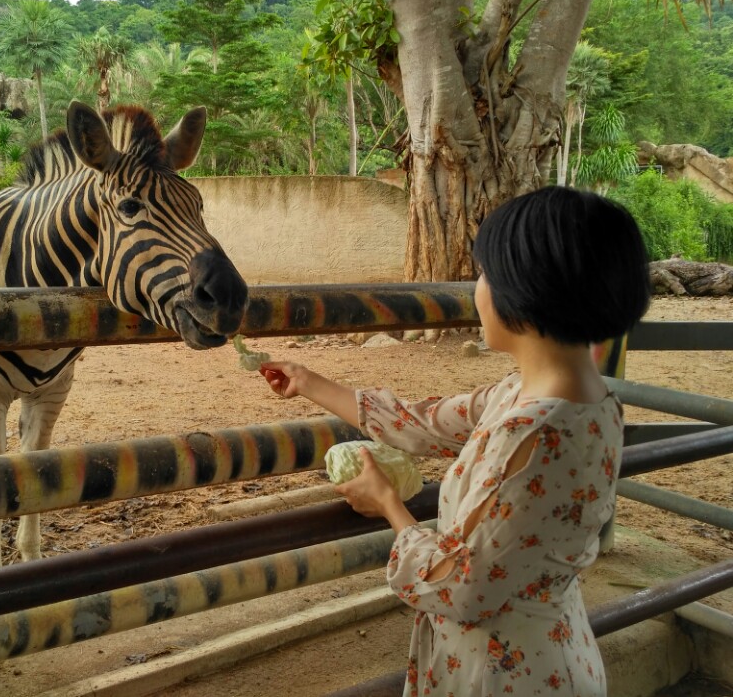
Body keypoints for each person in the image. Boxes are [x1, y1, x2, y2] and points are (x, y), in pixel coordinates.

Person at [258, 186, 651, 696]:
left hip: (503, 674)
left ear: (529, 286)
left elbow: (464, 588)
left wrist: (390, 507)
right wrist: (309, 381)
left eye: (486, 273)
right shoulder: (581, 397)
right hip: (556, 649)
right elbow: (425, 423)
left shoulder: (532, 434)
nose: (478, 289)